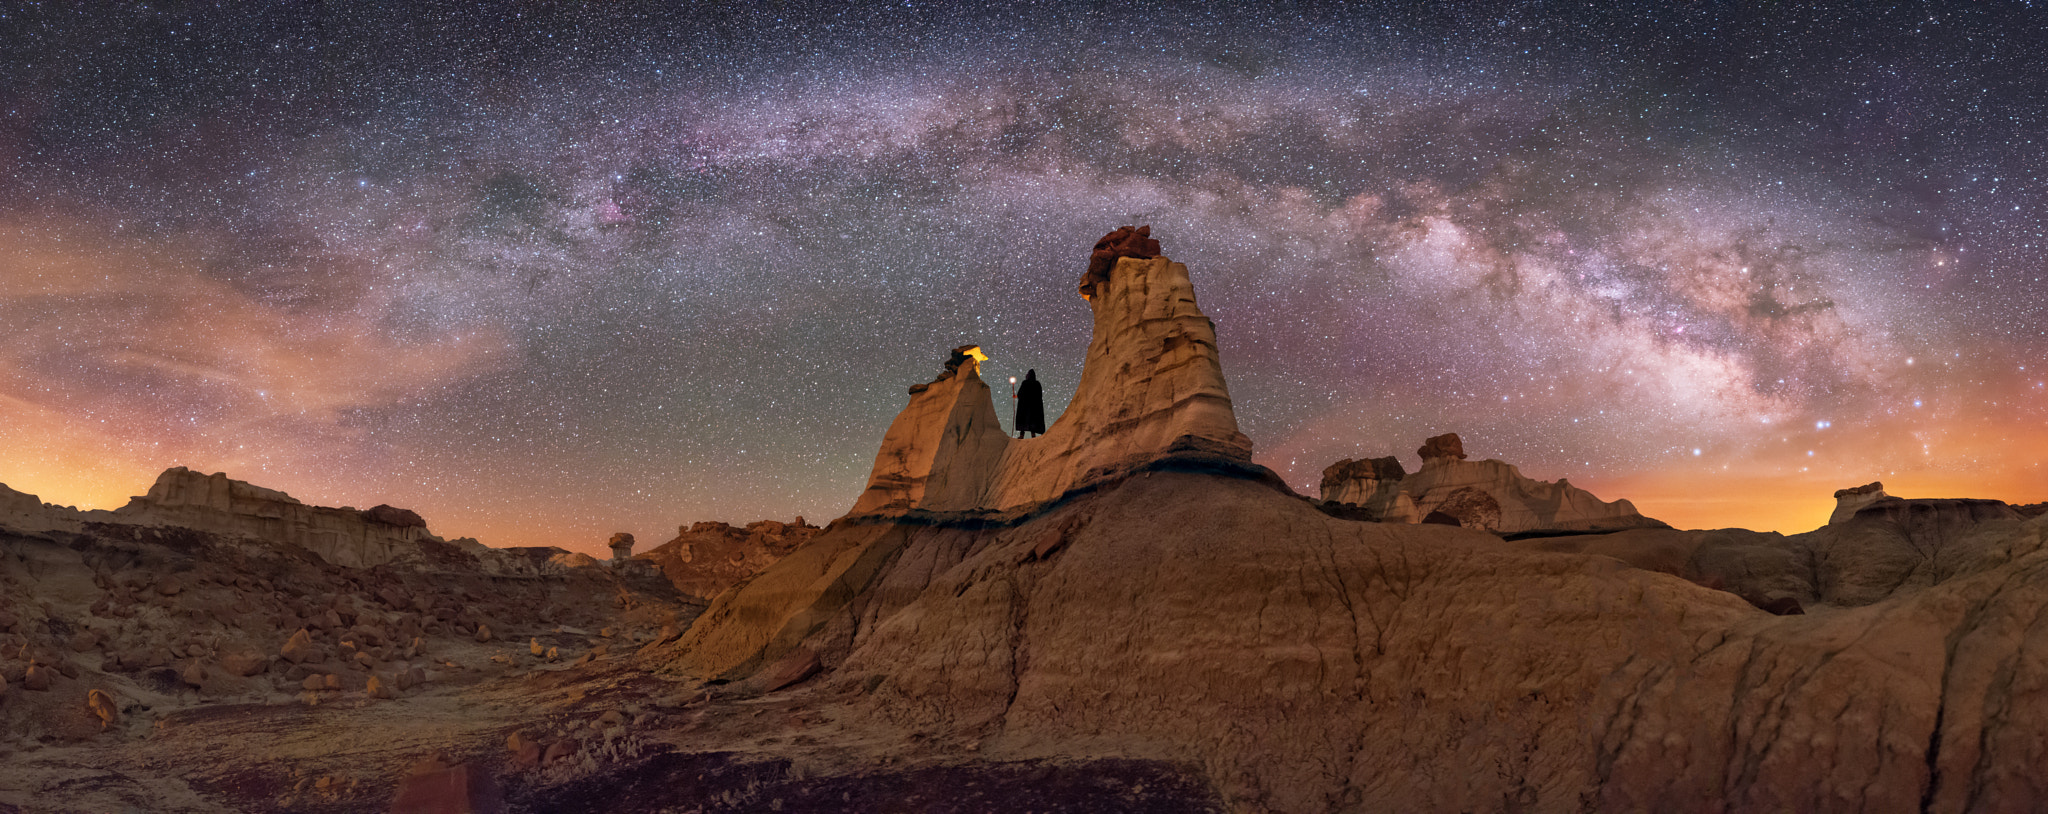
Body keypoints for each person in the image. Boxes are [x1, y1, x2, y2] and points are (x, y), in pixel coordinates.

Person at [1013, 369, 1046, 438]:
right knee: (1033, 420)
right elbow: (1039, 396)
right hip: (1034, 406)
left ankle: (1022, 435)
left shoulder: (1025, 383)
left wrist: (1017, 396)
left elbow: (1021, 393)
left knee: (1023, 419)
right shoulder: (1037, 384)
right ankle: (1033, 435)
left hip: (1025, 406)